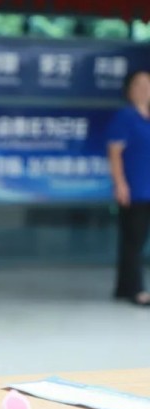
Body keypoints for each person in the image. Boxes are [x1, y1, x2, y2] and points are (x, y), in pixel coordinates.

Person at [107, 70, 150, 307]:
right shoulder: (126, 116)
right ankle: (136, 290)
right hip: (134, 189)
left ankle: (123, 288)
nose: (144, 89)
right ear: (129, 90)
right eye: (139, 85)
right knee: (134, 242)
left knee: (135, 241)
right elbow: (114, 153)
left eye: (148, 85)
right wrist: (120, 183)